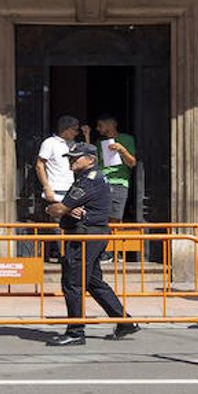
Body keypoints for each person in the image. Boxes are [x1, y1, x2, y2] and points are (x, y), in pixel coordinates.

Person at [44, 141, 139, 346]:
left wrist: (55, 208)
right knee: (94, 282)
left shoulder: (88, 180)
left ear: (90, 160)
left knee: (73, 283)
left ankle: (76, 331)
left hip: (83, 237)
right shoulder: (91, 178)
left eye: (75, 157)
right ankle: (124, 322)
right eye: (70, 157)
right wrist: (67, 208)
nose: (71, 160)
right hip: (92, 236)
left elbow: (60, 209)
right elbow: (68, 207)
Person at [35, 116, 82, 260]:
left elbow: (87, 156)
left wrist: (86, 136)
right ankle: (56, 255)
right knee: (56, 225)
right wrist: (46, 186)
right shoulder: (50, 143)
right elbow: (40, 165)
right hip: (55, 190)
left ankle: (68, 254)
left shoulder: (72, 144)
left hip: (71, 191)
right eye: (75, 129)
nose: (76, 133)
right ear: (66, 130)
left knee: (71, 223)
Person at [93, 114, 137, 223]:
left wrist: (122, 150)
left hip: (118, 182)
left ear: (110, 124)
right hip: (101, 183)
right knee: (100, 217)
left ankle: (113, 239)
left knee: (115, 218)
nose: (98, 129)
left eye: (100, 125)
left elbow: (132, 163)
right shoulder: (99, 143)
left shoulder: (126, 139)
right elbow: (94, 162)